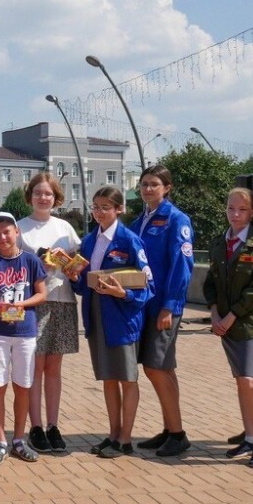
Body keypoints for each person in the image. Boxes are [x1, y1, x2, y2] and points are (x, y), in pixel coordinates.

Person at [68, 187, 154, 459]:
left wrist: (123, 293)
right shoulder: (90, 241)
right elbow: (86, 285)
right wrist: (73, 276)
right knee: (108, 377)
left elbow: (148, 285)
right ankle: (113, 433)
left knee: (127, 378)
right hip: (96, 315)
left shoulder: (130, 240)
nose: (99, 212)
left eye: (106, 206)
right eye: (96, 206)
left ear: (119, 210)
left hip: (122, 316)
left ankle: (126, 438)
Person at [204, 188, 253, 468]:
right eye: (231, 208)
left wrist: (231, 316)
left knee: (249, 379)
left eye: (242, 209)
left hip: (251, 322)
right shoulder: (219, 242)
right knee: (242, 381)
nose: (236, 214)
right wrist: (213, 313)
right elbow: (210, 282)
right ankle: (249, 436)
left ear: (252, 213)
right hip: (226, 323)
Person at [130, 164, 195, 457]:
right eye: (144, 184)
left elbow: (182, 266)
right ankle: (170, 429)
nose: (147, 189)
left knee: (158, 366)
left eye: (154, 184)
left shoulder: (176, 220)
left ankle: (178, 433)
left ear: (167, 188)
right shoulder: (139, 221)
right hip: (144, 304)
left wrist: (170, 306)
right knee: (158, 367)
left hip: (163, 307)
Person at [0, 212, 49, 465]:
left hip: (25, 332)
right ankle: (0, 441)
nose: (2, 237)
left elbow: (42, 294)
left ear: (16, 232)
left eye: (7, 232)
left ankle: (19, 439)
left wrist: (21, 304)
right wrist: (0, 306)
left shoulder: (30, 261)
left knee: (23, 385)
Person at [17, 173, 81, 453]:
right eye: (38, 193)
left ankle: (53, 425)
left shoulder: (65, 227)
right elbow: (16, 270)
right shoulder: (20, 228)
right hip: (35, 303)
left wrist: (70, 266)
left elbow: (77, 266)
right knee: (35, 367)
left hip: (63, 301)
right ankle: (36, 425)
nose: (44, 198)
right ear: (29, 196)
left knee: (54, 368)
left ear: (56, 198)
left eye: (49, 194)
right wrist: (41, 264)